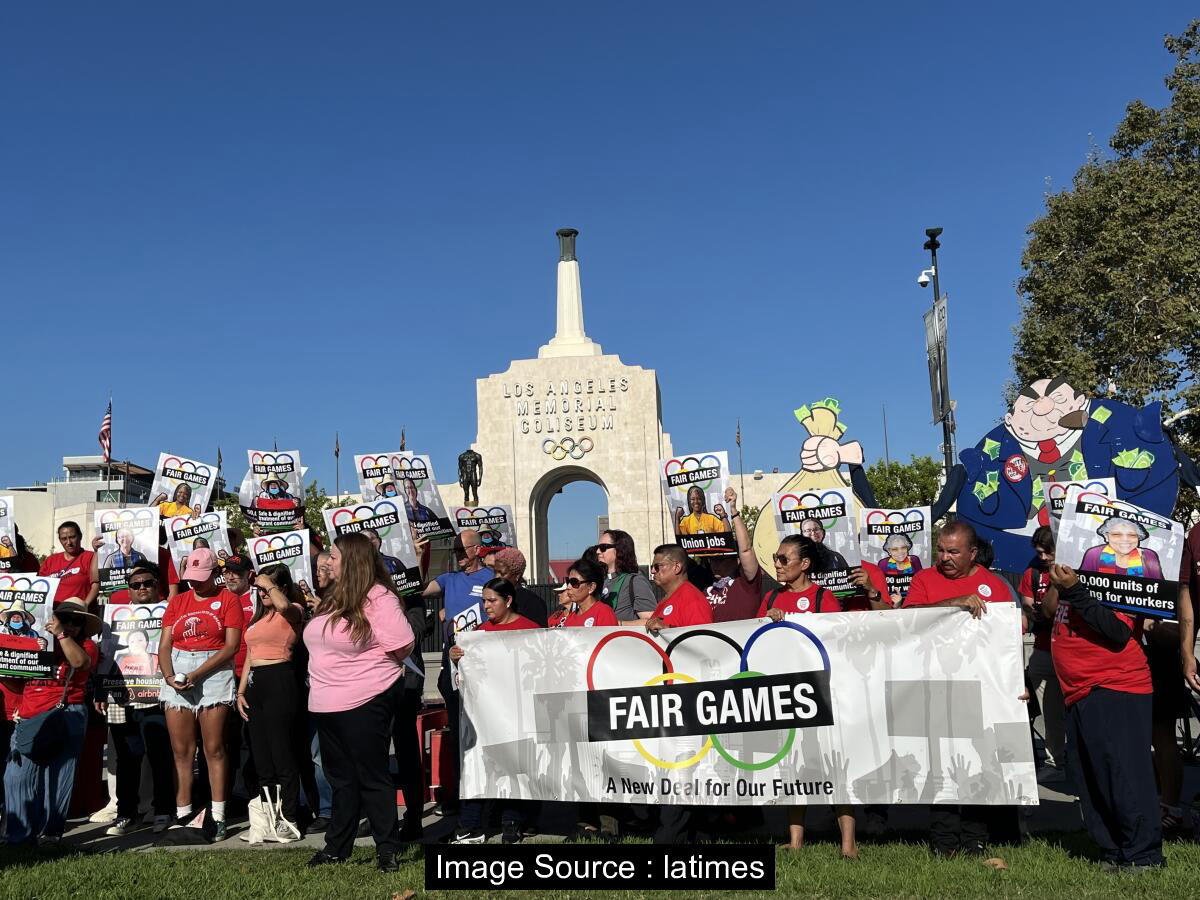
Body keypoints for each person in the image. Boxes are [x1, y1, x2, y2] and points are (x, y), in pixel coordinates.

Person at [902, 522, 1019, 858]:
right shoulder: (924, 579)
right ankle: (944, 840)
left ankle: (974, 838)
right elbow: (906, 619)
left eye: (953, 551)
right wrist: (954, 603)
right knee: (939, 764)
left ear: (973, 553)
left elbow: (1008, 641)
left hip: (981, 690)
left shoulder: (994, 586)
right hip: (934, 687)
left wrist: (1016, 683)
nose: (945, 558)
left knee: (977, 763)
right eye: (940, 550)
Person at [303, 532, 415, 872]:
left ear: (351, 561)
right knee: (341, 780)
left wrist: (371, 671)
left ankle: (387, 849)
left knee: (372, 777)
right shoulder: (334, 596)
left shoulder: (378, 597)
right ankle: (338, 847)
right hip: (326, 703)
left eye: (334, 556)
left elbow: (403, 644)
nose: (327, 561)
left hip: (365, 699)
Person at [1049, 563, 1163, 870]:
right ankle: (1114, 849)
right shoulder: (1072, 573)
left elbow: (1117, 631)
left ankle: (1143, 854)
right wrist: (1060, 583)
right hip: (1079, 689)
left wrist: (1075, 590)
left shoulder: (1116, 575)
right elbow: (1047, 611)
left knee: (1124, 774)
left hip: (1115, 685)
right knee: (1090, 775)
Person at [755, 534, 858, 857]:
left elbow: (836, 641)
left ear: (805, 564)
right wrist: (767, 621)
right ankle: (796, 840)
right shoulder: (771, 596)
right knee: (794, 766)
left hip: (822, 695)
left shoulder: (824, 598)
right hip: (787, 695)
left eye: (784, 558)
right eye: (776, 557)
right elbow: (757, 639)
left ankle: (848, 844)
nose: (777, 564)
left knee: (835, 765)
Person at [158, 547, 244, 839]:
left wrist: (197, 674)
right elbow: (165, 644)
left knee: (214, 747)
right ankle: (183, 813)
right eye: (191, 577)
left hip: (214, 668)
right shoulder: (178, 601)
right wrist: (169, 676)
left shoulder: (228, 599)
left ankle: (218, 815)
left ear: (215, 573)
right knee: (181, 751)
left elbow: (231, 646)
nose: (195, 582)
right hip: (178, 667)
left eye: (201, 576)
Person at [448, 577, 540, 843]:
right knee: (478, 766)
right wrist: (456, 659)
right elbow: (463, 678)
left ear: (508, 600)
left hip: (519, 713)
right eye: (484, 601)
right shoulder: (478, 633)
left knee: (514, 766)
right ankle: (469, 824)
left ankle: (511, 822)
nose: (486, 606)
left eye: (492, 601)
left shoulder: (531, 630)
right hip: (486, 715)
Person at [3, 598, 100, 846]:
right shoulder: (37, 642)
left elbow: (80, 663)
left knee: (58, 776)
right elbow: (18, 683)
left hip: (67, 713)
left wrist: (61, 635)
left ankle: (50, 833)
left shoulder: (87, 645)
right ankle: (18, 835)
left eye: (76, 621)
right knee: (16, 776)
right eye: (63, 618)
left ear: (83, 627)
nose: (69, 625)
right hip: (30, 714)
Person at [97, 561, 175, 835]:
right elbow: (106, 655)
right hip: (121, 699)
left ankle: (163, 810)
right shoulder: (115, 616)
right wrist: (100, 690)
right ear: (128, 589)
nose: (142, 588)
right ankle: (126, 814)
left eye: (148, 583)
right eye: (136, 585)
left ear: (157, 586)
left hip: (158, 697)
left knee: (160, 756)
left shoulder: (169, 611)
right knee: (127, 759)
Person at [422, 529, 492, 818]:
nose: (458, 555)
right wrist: (420, 555)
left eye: (462, 550)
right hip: (453, 660)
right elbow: (419, 590)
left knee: (485, 730)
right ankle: (459, 793)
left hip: (484, 660)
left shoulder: (490, 577)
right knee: (457, 732)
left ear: (477, 549)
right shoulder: (449, 579)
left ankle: (488, 797)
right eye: (455, 551)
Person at [237, 563, 305, 841]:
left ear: (282, 588)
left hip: (280, 680)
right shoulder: (258, 619)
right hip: (256, 685)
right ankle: (267, 818)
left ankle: (289, 817)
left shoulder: (293, 611)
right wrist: (241, 692)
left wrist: (268, 583)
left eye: (267, 588)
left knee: (281, 753)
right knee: (262, 757)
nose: (263, 592)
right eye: (260, 589)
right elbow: (250, 655)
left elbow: (285, 606)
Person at [1020, 526, 1065, 780]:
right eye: (1039, 553)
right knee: (1050, 712)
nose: (1044, 557)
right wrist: (1031, 613)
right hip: (1043, 649)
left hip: (1071, 651)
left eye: (1048, 552)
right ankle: (1055, 762)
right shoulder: (1033, 573)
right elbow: (1027, 604)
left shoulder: (1072, 570)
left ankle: (1079, 760)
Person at [704, 488, 763, 622]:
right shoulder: (706, 589)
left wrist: (733, 510)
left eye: (721, 558)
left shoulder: (747, 584)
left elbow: (746, 550)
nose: (715, 563)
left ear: (737, 560)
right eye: (712, 559)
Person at [597, 529, 658, 626]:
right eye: (597, 547)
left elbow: (651, 621)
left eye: (603, 547)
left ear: (619, 549)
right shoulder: (602, 581)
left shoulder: (635, 581)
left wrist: (616, 624)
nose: (598, 551)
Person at [39, 521, 99, 606]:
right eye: (64, 539)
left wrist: (85, 604)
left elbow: (96, 585)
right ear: (60, 540)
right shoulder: (50, 560)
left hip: (80, 611)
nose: (69, 542)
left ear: (80, 536)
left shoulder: (90, 557)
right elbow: (40, 586)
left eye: (72, 537)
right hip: (54, 612)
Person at [1080, 516, 1163, 578]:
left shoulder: (1149, 556)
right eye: (1116, 534)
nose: (1125, 539)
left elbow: (1160, 589)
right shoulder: (1094, 554)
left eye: (1132, 535)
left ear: (1138, 537)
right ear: (1106, 536)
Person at [490, 547, 548, 627]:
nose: (496, 577)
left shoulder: (533, 602)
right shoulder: (494, 598)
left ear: (517, 576)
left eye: (502, 573)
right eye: (495, 572)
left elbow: (539, 632)